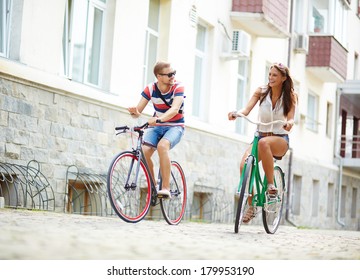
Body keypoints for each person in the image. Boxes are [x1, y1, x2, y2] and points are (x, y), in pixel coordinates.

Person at [228, 62, 297, 223]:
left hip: (280, 139)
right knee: (245, 164)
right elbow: (246, 110)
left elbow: (291, 117)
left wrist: (289, 123)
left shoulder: (291, 96)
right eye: (270, 74)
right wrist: (236, 114)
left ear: (283, 78)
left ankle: (271, 185)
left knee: (264, 143)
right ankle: (252, 205)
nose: (271, 78)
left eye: (275, 75)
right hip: (261, 136)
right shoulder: (261, 92)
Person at [128, 61, 185, 199]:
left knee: (162, 146)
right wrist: (133, 112)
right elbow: (138, 112)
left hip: (175, 126)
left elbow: (174, 109)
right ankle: (153, 185)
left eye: (174, 73)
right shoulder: (150, 89)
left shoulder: (178, 87)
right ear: (159, 77)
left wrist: (159, 119)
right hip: (157, 127)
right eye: (170, 74)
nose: (173, 77)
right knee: (144, 152)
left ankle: (166, 188)